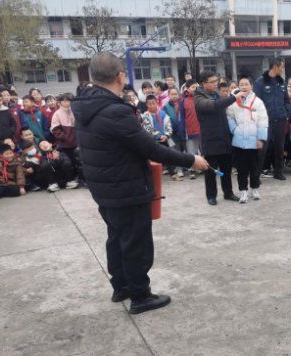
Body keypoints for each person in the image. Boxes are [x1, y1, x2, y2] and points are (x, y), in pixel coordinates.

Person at [72, 52, 208, 314]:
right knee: (136, 243)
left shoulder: (85, 105)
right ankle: (140, 296)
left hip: (105, 188)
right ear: (120, 76)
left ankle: (121, 286)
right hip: (125, 187)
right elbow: (152, 149)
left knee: (116, 238)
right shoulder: (114, 111)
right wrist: (192, 160)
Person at [194, 70, 241, 205]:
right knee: (210, 170)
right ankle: (211, 196)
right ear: (204, 84)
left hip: (224, 138)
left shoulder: (217, 94)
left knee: (226, 168)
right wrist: (233, 97)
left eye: (216, 81)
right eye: (212, 82)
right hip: (210, 140)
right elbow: (214, 106)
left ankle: (228, 192)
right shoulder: (198, 98)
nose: (216, 84)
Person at [226, 77, 268, 203]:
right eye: (241, 84)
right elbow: (229, 117)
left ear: (251, 86)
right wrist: (234, 130)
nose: (244, 87)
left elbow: (263, 120)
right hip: (239, 141)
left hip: (254, 140)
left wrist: (261, 138)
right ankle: (243, 191)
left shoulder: (258, 102)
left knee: (255, 168)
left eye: (246, 84)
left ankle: (255, 189)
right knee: (242, 168)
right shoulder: (234, 101)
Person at [253, 58, 291, 181]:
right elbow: (256, 102)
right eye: (281, 67)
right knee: (262, 148)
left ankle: (278, 172)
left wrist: (286, 112)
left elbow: (286, 100)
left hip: (280, 120)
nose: (282, 70)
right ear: (275, 67)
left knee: (279, 148)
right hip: (265, 122)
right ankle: (256, 175)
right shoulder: (260, 82)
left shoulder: (281, 82)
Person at [51, 93, 80, 176]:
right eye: (65, 101)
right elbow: (55, 129)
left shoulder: (75, 111)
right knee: (68, 163)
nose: (67, 102)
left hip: (76, 142)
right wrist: (64, 137)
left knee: (78, 161)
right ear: (60, 102)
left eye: (69, 100)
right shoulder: (57, 114)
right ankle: (72, 178)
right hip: (65, 144)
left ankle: (81, 178)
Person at [163, 88, 187, 180]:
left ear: (179, 94)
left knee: (187, 150)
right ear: (168, 95)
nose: (174, 95)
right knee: (176, 152)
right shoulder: (166, 107)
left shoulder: (183, 103)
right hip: (173, 134)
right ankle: (179, 169)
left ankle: (189, 168)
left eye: (175, 94)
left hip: (184, 132)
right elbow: (165, 120)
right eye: (172, 94)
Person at [180, 79, 202, 179]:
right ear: (187, 89)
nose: (195, 89)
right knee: (191, 151)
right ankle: (192, 170)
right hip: (189, 130)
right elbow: (181, 117)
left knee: (202, 150)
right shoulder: (183, 100)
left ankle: (201, 167)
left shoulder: (201, 98)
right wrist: (182, 130)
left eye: (196, 87)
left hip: (202, 129)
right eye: (193, 87)